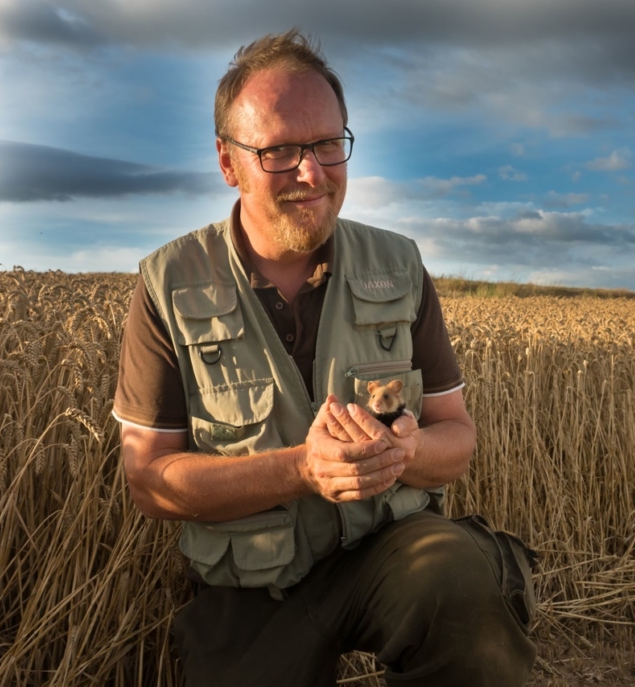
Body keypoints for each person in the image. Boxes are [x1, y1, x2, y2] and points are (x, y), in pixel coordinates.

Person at [113, 29, 537, 686]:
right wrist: (302, 470)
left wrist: (405, 454)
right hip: (252, 588)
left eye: (328, 145)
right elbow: (149, 479)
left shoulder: (398, 266)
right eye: (280, 151)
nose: (311, 172)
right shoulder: (169, 284)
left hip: (386, 552)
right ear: (229, 163)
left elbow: (455, 436)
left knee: (457, 579)